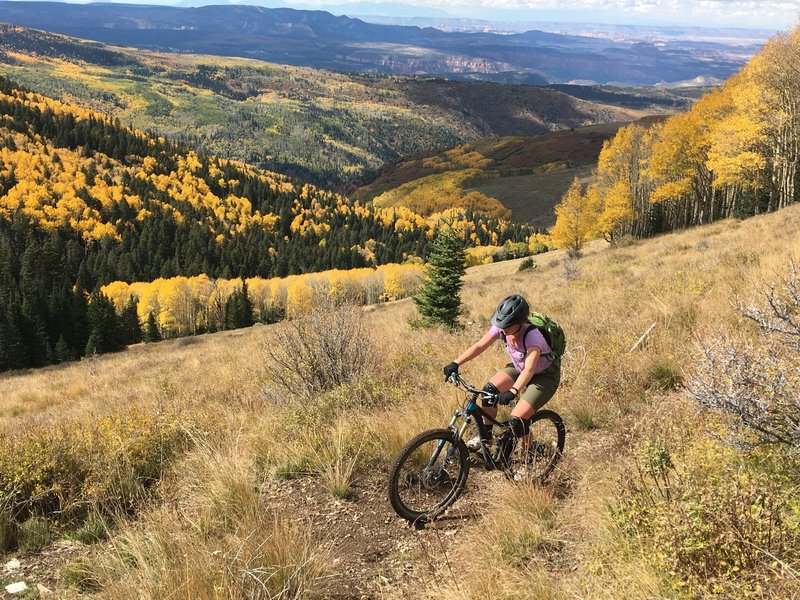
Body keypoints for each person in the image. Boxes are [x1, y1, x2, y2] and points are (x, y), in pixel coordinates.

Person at [442, 294, 561, 451]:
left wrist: (513, 391)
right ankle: (485, 438)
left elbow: (530, 369)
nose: (503, 329)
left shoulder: (533, 337)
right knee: (488, 392)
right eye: (502, 325)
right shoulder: (503, 328)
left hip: (544, 376)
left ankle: (529, 454)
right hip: (519, 368)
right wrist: (456, 362)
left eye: (508, 325)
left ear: (520, 322)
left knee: (518, 419)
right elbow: (479, 346)